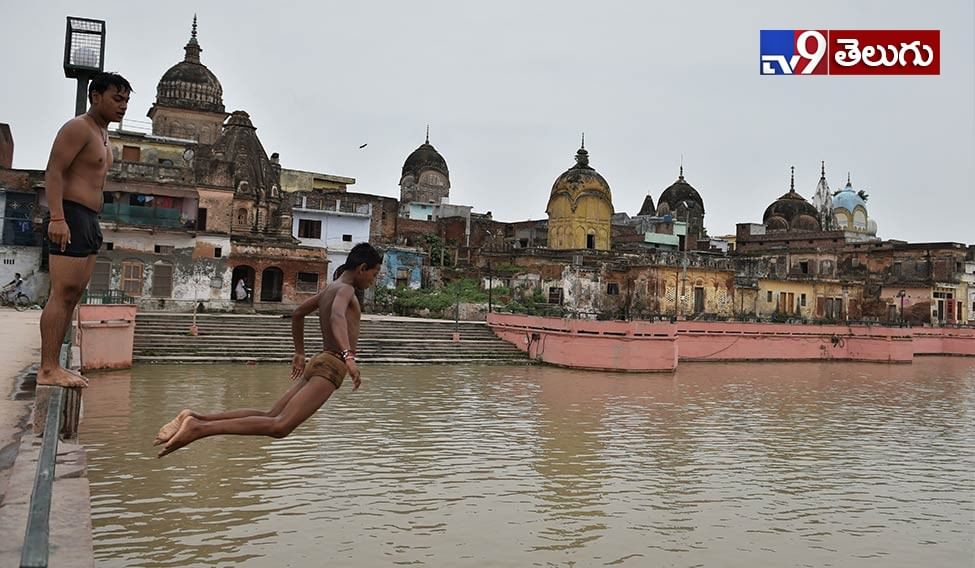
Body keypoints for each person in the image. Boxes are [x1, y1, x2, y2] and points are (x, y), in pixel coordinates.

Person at [153, 243, 382, 457]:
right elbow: (336, 316)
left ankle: (194, 417)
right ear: (362, 268)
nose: (373, 281)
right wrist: (348, 356)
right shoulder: (346, 290)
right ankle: (199, 429)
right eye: (374, 274)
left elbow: (298, 313)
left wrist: (300, 353)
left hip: (319, 360)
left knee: (271, 415)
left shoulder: (330, 288)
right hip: (331, 365)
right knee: (280, 426)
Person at [39, 72, 131, 389]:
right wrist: (57, 217)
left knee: (74, 295)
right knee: (62, 293)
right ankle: (48, 368)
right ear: (96, 96)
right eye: (117, 99)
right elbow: (54, 171)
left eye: (127, 101)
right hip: (71, 214)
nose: (123, 106)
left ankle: (54, 366)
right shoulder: (78, 127)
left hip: (89, 219)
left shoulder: (103, 135)